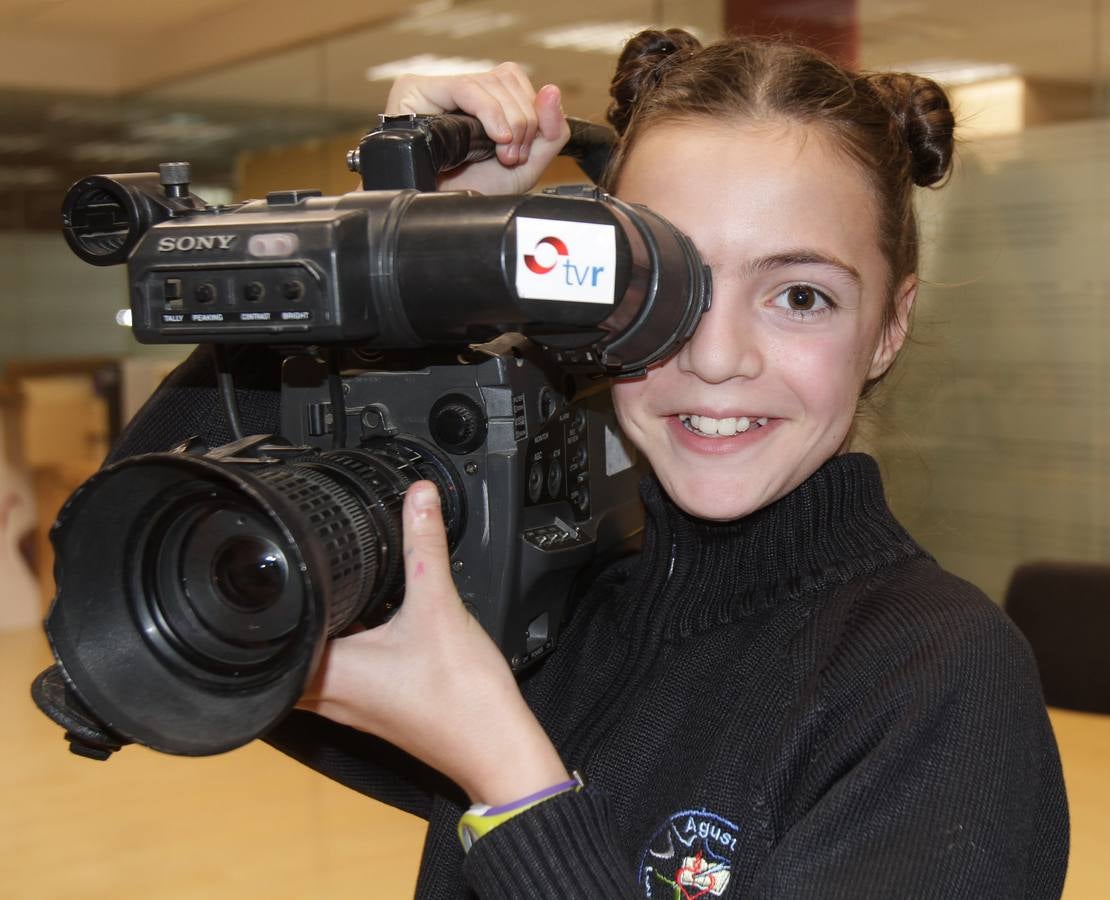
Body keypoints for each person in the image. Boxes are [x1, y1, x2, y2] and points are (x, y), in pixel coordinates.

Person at [267, 29, 1070, 898]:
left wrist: (511, 782)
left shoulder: (940, 679)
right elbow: (135, 569)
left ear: (889, 328)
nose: (719, 357)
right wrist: (396, 249)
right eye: (667, 287)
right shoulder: (540, 598)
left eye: (801, 296)